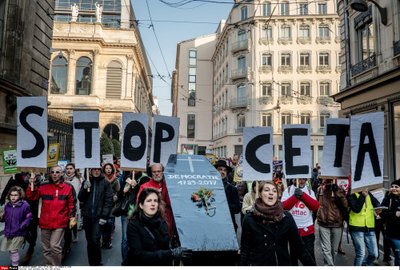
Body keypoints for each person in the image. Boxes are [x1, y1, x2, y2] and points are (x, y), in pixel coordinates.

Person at [240, 181, 316, 266]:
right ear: (260, 194)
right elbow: (245, 252)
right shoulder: (250, 219)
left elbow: (300, 248)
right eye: (267, 190)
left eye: (274, 191)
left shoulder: (286, 217)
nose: (271, 193)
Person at [123, 187, 191, 266]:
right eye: (149, 201)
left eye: (155, 201)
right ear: (141, 205)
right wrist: (170, 253)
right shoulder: (133, 225)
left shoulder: (162, 221)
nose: (153, 204)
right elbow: (139, 255)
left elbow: (166, 247)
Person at [26, 166, 76, 266]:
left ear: (61, 173)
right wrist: (31, 184)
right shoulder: (43, 186)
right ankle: (49, 266)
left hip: (60, 222)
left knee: (54, 246)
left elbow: (71, 204)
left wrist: (72, 217)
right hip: (45, 223)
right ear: (50, 174)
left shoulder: (68, 187)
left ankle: (57, 266)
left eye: (57, 172)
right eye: (52, 172)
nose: (54, 174)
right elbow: (32, 196)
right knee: (46, 249)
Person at [78, 167, 113, 266]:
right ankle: (91, 263)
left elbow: (108, 200)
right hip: (87, 216)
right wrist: (84, 189)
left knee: (95, 239)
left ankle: (97, 263)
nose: (96, 171)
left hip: (98, 217)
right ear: (90, 171)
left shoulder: (105, 183)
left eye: (98, 169)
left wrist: (104, 216)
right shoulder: (87, 181)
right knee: (89, 241)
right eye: (94, 169)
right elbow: (80, 197)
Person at [281, 178, 320, 264]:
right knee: (293, 257)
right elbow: (283, 207)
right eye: (299, 179)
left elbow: (315, 206)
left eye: (303, 179)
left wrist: (303, 195)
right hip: (292, 230)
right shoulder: (287, 191)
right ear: (293, 179)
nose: (301, 181)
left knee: (309, 257)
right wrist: (294, 197)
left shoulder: (310, 191)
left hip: (307, 230)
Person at [117, 170, 150, 262]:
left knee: (139, 238)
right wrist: (123, 191)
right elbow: (119, 195)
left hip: (139, 213)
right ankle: (125, 261)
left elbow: (146, 195)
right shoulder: (125, 178)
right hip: (126, 213)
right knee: (125, 239)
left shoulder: (145, 179)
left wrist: (136, 186)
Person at [316, 178, 348, 266]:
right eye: (326, 181)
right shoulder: (320, 190)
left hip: (336, 223)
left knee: (334, 250)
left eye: (330, 181)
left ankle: (329, 265)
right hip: (323, 223)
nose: (328, 182)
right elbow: (316, 203)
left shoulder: (339, 190)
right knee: (326, 249)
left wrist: (337, 191)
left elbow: (345, 205)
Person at [137, 163, 175, 238]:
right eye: (154, 172)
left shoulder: (169, 185)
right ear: (151, 173)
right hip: (149, 225)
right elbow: (139, 204)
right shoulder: (144, 187)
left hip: (167, 224)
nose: (156, 174)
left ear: (163, 172)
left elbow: (173, 204)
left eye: (159, 171)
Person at [0, 186, 32, 266]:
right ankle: (14, 263)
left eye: (15, 195)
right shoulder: (7, 205)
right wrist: (1, 217)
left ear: (20, 195)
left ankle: (15, 265)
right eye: (11, 195)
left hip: (19, 232)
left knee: (14, 250)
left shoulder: (25, 205)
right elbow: (5, 218)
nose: (13, 197)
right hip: (9, 232)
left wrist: (22, 226)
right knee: (10, 250)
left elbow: (28, 217)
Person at [347, 187, 380, 266]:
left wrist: (379, 209)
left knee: (374, 254)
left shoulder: (369, 193)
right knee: (361, 253)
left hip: (370, 227)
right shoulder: (351, 194)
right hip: (357, 227)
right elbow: (356, 209)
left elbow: (377, 204)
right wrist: (362, 196)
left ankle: (364, 265)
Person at [214, 159, 241, 232]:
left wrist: (223, 205)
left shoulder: (232, 189)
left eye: (224, 170)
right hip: (213, 224)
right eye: (220, 169)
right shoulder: (209, 187)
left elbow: (237, 209)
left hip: (228, 225)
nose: (222, 172)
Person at [62, 163, 82, 260]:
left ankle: (75, 234)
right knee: (66, 223)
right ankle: (67, 239)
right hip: (64, 204)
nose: (69, 170)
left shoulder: (78, 180)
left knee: (72, 222)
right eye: (67, 168)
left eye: (71, 168)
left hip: (75, 204)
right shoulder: (62, 180)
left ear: (74, 170)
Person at [101, 163, 120, 249]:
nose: (108, 170)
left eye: (109, 168)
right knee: (103, 223)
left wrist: (116, 196)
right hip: (103, 203)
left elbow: (118, 191)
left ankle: (108, 240)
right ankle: (104, 239)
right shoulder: (101, 179)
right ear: (104, 169)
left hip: (112, 203)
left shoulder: (116, 180)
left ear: (112, 169)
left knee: (110, 222)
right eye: (106, 168)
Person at [381, 179, 400, 266]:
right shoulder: (388, 199)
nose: (394, 188)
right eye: (392, 186)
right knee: (399, 256)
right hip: (394, 234)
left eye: (396, 187)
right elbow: (382, 213)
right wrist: (394, 213)